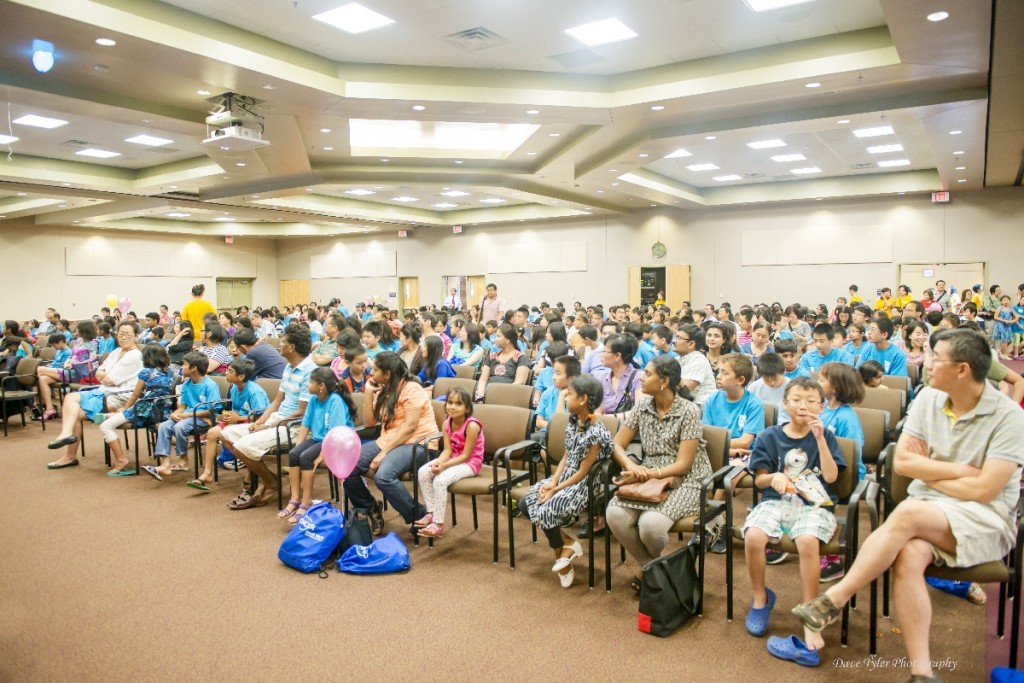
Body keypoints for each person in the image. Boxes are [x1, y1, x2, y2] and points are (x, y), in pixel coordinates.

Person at [792, 329, 1024, 681]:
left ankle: (834, 599)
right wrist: (962, 470)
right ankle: (923, 672)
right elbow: (903, 465)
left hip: (985, 520)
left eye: (936, 358)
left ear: (962, 369)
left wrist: (931, 470)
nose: (927, 364)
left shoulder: (1009, 417)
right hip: (930, 509)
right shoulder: (929, 399)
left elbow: (987, 488)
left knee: (909, 513)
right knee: (910, 553)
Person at [742, 377, 844, 667]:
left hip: (815, 505)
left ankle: (811, 613)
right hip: (775, 501)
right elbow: (759, 478)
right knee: (753, 536)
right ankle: (761, 598)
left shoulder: (827, 435)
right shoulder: (769, 436)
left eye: (812, 401)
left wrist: (821, 438)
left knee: (807, 541)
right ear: (784, 403)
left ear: (821, 407)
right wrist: (772, 477)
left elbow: (833, 478)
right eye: (797, 399)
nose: (803, 406)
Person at [606, 356, 713, 593]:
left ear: (664, 381)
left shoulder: (688, 410)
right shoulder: (643, 406)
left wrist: (649, 473)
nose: (641, 377)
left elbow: (684, 464)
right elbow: (617, 444)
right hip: (649, 475)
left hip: (688, 480)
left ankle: (648, 571)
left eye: (648, 373)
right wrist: (632, 467)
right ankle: (653, 568)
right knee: (614, 514)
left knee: (650, 526)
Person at [518, 374, 613, 588]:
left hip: (584, 484)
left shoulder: (596, 430)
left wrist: (556, 489)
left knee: (545, 510)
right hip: (565, 478)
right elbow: (566, 456)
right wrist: (552, 482)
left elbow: (583, 471)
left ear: (583, 400)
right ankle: (568, 545)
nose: (565, 397)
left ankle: (561, 559)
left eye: (569, 395)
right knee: (526, 503)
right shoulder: (573, 421)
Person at [219, 327, 315, 509]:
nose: (280, 345)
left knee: (243, 445)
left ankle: (269, 483)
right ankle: (270, 480)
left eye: (283, 342)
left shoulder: (310, 371)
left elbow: (303, 412)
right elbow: (277, 401)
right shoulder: (289, 367)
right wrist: (260, 421)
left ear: (292, 347)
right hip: (278, 420)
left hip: (295, 427)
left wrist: (270, 424)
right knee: (226, 434)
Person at [343, 352, 439, 534]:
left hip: (419, 443)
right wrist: (369, 393)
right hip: (390, 440)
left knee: (383, 476)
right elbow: (370, 422)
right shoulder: (386, 388)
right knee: (347, 466)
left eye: (376, 369)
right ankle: (370, 507)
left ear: (387, 374)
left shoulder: (411, 388)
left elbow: (410, 427)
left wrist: (383, 453)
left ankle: (419, 515)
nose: (371, 371)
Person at [46, 321, 144, 468]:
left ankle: (68, 447)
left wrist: (105, 376)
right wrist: (105, 376)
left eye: (127, 334)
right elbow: (99, 371)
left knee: (72, 404)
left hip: (119, 398)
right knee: (72, 404)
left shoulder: (135, 355)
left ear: (136, 336)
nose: (123, 338)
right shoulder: (116, 352)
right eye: (120, 334)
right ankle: (69, 449)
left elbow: (109, 379)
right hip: (104, 391)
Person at [278, 367, 356, 524]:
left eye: (310, 382)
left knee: (306, 458)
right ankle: (295, 498)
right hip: (319, 439)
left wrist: (322, 455)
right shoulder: (314, 399)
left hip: (335, 442)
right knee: (294, 454)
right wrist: (298, 446)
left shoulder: (335, 401)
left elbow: (335, 433)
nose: (307, 385)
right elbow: (305, 424)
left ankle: (306, 502)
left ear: (321, 386)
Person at [814, 362, 866, 581]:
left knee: (816, 492)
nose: (817, 383)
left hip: (845, 473)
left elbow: (852, 454)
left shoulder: (846, 417)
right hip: (822, 468)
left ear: (834, 388)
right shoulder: (824, 409)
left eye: (821, 380)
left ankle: (832, 558)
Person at [186, 358, 270, 491]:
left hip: (254, 423)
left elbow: (262, 415)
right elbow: (236, 409)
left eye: (230, 371)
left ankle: (250, 474)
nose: (225, 373)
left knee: (244, 438)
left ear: (241, 376)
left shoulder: (254, 391)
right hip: (238, 421)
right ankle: (207, 474)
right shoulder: (235, 388)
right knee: (212, 433)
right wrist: (230, 415)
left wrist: (239, 417)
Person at [415, 387, 484, 538]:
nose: (452, 407)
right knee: (423, 471)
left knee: (439, 480)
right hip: (454, 459)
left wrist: (444, 466)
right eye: (450, 402)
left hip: (471, 463)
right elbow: (447, 450)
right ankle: (431, 512)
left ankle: (438, 523)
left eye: (458, 404)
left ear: (467, 408)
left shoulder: (472, 425)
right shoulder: (447, 423)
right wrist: (438, 463)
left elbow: (467, 455)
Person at [97, 344, 176, 476]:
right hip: (163, 411)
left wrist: (125, 409)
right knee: (119, 415)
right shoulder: (171, 372)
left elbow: (135, 395)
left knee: (105, 427)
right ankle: (111, 415)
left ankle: (121, 460)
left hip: (144, 411)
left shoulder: (146, 372)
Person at [143, 351, 221, 480]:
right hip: (188, 416)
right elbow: (183, 406)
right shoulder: (187, 384)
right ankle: (165, 464)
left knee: (179, 427)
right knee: (164, 426)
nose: (181, 368)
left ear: (194, 368)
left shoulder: (210, 385)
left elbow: (212, 410)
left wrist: (187, 415)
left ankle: (183, 458)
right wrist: (176, 413)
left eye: (184, 364)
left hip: (204, 419)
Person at [35, 322, 100, 422]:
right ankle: (49, 408)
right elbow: (71, 355)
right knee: (43, 379)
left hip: (78, 373)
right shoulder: (78, 341)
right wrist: (67, 362)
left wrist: (74, 364)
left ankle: (37, 402)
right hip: (68, 369)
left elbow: (92, 360)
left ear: (85, 330)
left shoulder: (93, 343)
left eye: (78, 329)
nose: (76, 331)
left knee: (39, 369)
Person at [474, 323, 530, 399]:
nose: (495, 339)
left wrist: (501, 393)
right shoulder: (491, 357)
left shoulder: (521, 358)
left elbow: (520, 382)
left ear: (508, 340)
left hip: (509, 396)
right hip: (488, 395)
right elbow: (483, 380)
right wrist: (480, 395)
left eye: (498, 336)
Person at [594, 333, 643, 418]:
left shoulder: (639, 378)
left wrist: (609, 418)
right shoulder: (602, 379)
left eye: (604, 351)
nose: (601, 354)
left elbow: (640, 412)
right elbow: (597, 412)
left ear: (617, 356)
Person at [673, 323, 716, 407]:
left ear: (691, 344)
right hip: (684, 406)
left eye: (679, 338)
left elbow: (683, 390)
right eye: (675, 337)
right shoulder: (677, 359)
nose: (674, 341)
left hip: (699, 409)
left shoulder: (699, 361)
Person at [993, 294, 1018, 359]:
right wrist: (1004, 320)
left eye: (1007, 300)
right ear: (1001, 301)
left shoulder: (1011, 308)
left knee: (1008, 339)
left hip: (1008, 325)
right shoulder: (999, 308)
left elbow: (1016, 317)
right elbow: (995, 317)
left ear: (1009, 301)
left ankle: (1000, 351)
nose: (1006, 301)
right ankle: (1004, 354)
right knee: (1005, 340)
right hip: (1000, 325)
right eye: (1004, 300)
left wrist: (1012, 321)